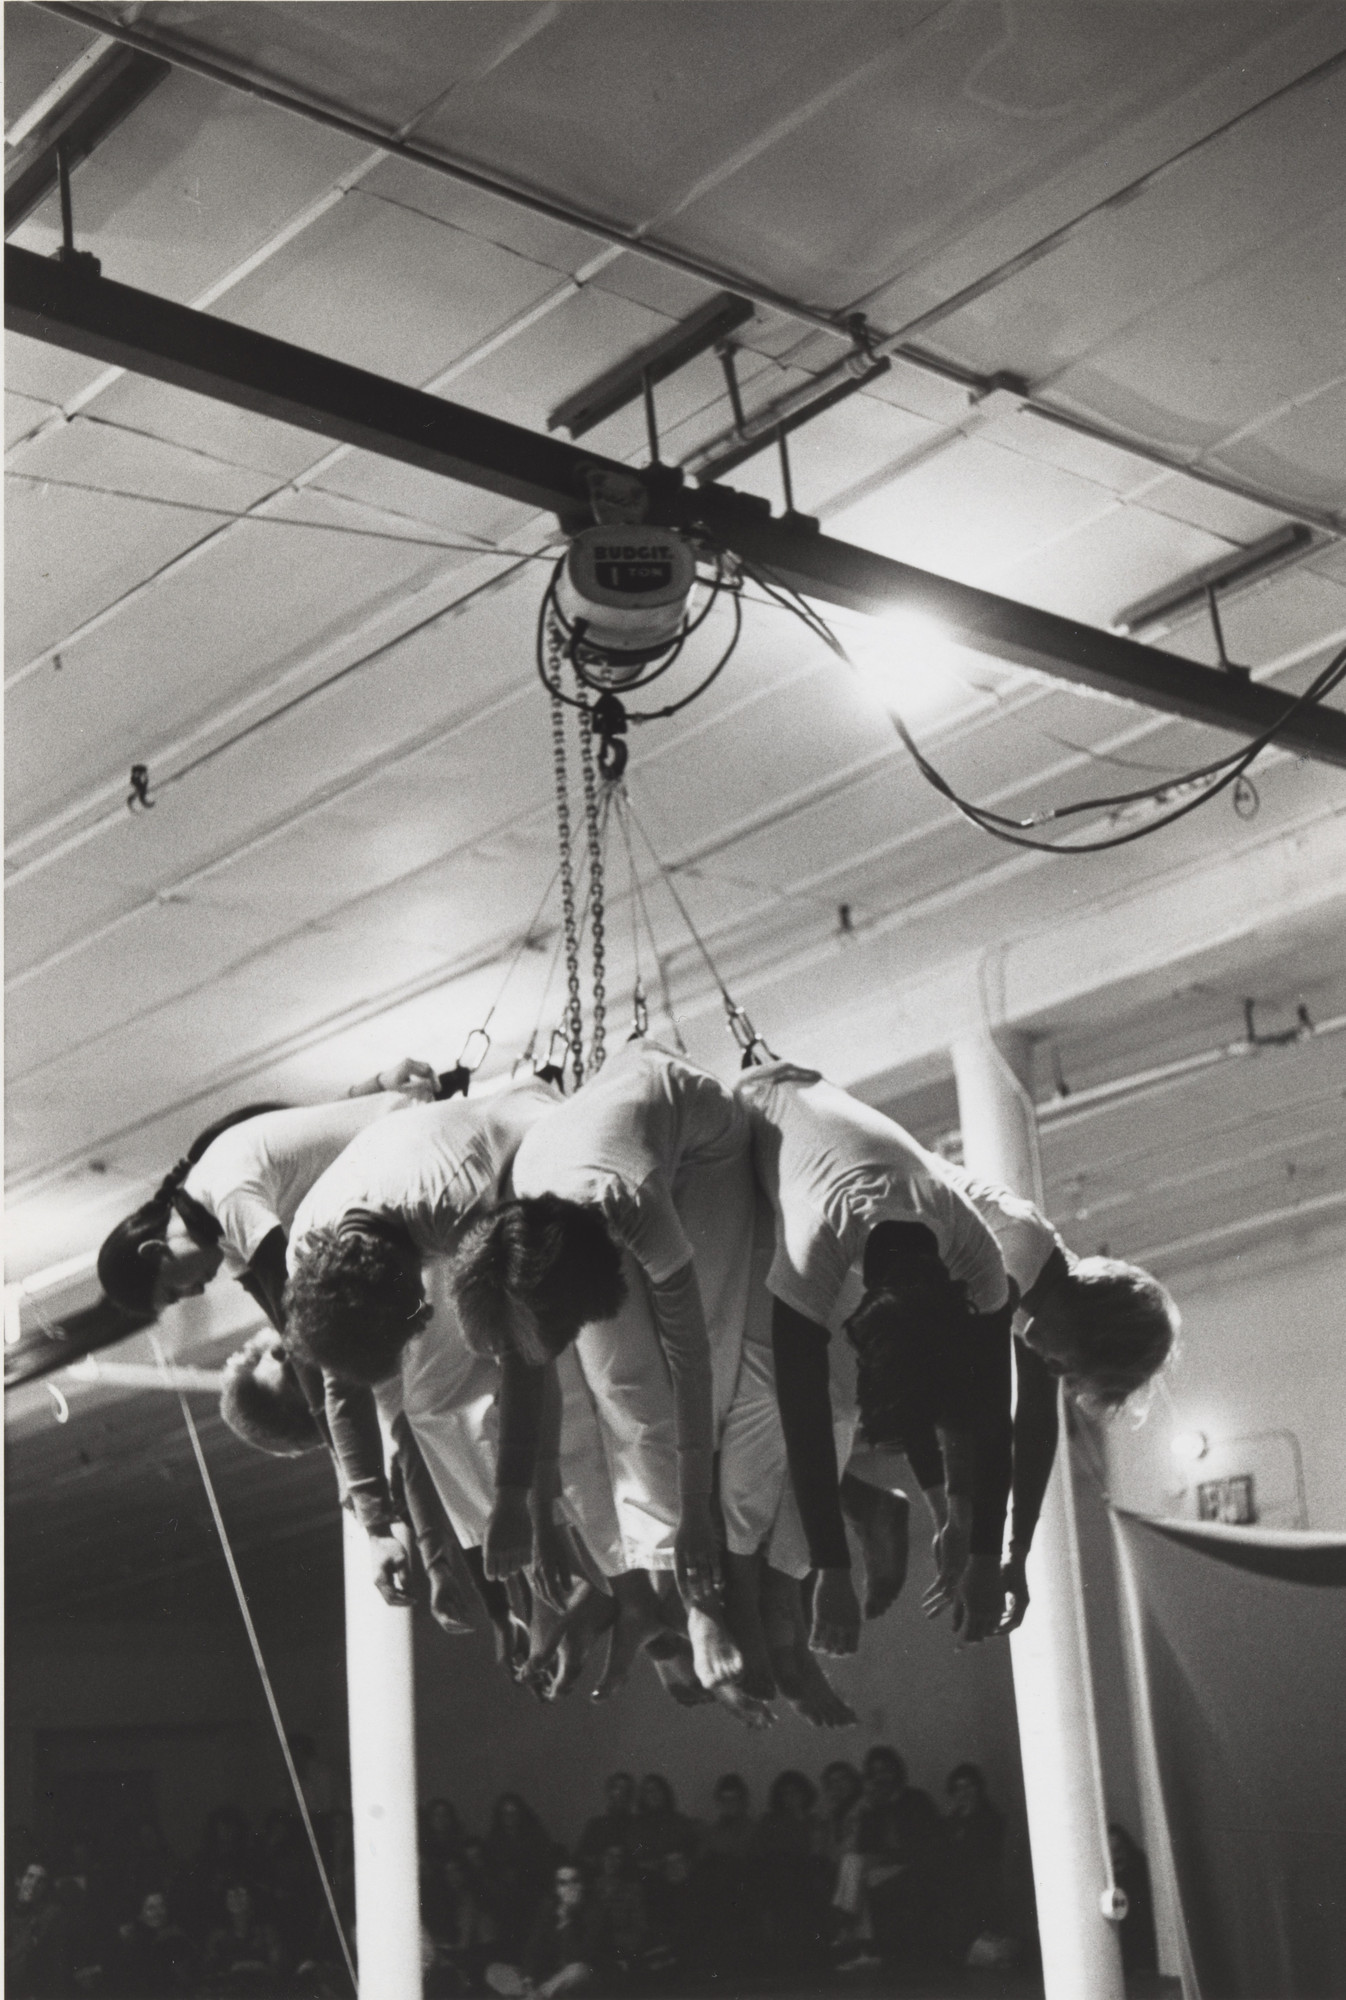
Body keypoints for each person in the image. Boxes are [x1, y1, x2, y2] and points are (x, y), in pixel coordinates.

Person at [449, 1042, 762, 1700]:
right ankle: (637, 1590)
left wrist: (696, 1517)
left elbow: (692, 1362)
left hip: (705, 1147)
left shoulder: (633, 1200)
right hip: (593, 1155)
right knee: (607, 1380)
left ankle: (695, 1594)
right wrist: (534, 1511)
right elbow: (536, 1377)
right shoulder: (521, 1226)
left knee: (689, 1356)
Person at [737, 1060, 1016, 1651]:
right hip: (749, 1109)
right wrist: (830, 1570)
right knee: (759, 1391)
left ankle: (856, 1517)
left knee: (836, 1403)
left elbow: (992, 1419)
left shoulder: (981, 1259)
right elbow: (804, 1419)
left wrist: (977, 1542)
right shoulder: (815, 1246)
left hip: (819, 1100)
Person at [935, 1169, 1178, 1630]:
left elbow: (1036, 1424)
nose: (1056, 1372)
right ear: (1089, 1327)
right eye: (1072, 1365)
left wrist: (1016, 1552)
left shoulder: (1043, 1286)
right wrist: (969, 1530)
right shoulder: (1016, 1259)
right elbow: (965, 1394)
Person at [834, 1748, 944, 1971]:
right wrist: (864, 1811)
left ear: (896, 1771)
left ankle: (853, 1935)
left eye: (885, 1770)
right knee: (852, 1862)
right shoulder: (872, 1805)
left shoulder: (916, 1798)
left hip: (912, 1861)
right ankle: (864, 1946)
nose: (880, 1777)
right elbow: (862, 1847)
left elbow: (927, 1839)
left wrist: (892, 1807)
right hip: (883, 1862)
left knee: (864, 1877)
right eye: (874, 1772)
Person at [755, 1771, 830, 1969]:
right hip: (777, 1871)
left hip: (806, 1871)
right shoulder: (770, 1821)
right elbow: (762, 1851)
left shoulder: (814, 1821)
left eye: (796, 1792)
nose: (791, 1797)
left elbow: (817, 1852)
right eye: (785, 1793)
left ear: (805, 1794)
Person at [480, 1795, 558, 1963]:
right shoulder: (493, 1840)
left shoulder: (536, 1837)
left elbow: (545, 1869)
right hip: (504, 1898)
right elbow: (488, 1872)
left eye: (514, 1812)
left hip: (532, 1894)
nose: (510, 1817)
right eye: (505, 1813)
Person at [942, 1763, 1004, 1960]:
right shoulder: (952, 1820)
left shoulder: (990, 1817)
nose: (964, 1792)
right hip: (954, 1879)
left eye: (969, 1786)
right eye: (959, 1788)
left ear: (978, 1788)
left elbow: (985, 1853)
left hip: (979, 1878)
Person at [200, 1879, 286, 1992]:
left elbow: (278, 1969)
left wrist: (254, 1967)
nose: (236, 1898)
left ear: (252, 1899)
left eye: (241, 1893)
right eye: (230, 1894)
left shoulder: (266, 1932)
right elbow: (208, 1969)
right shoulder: (217, 1935)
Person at [109, 1888, 197, 1996]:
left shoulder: (175, 1939)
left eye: (162, 1906)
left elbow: (183, 1983)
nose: (158, 1913)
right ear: (139, 1915)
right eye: (151, 1908)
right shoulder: (135, 1940)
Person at [6, 1859, 73, 1999]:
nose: (33, 1884)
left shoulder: (49, 1916)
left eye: (40, 1881)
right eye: (30, 1876)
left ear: (45, 1888)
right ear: (19, 1880)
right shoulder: (6, 1910)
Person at [1107, 1824, 1158, 1976]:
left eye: (1118, 1850)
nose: (1115, 1857)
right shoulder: (1104, 1883)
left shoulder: (1141, 1876)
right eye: (1110, 1852)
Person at [576, 1775, 637, 1872]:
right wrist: (602, 1860)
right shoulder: (596, 1824)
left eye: (626, 1789)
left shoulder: (637, 1824)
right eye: (617, 1788)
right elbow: (581, 1857)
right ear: (609, 1792)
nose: (621, 1793)